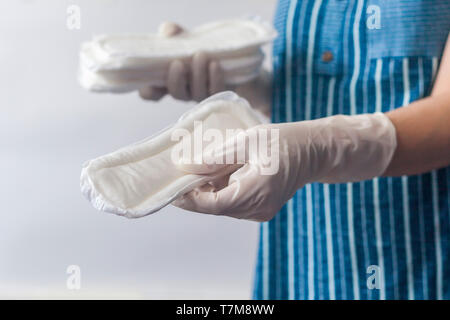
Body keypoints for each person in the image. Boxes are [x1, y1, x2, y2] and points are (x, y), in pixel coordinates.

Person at [140, 1, 450, 300]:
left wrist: (318, 149)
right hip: (299, 253)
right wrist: (239, 80)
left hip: (417, 257)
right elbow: (325, 83)